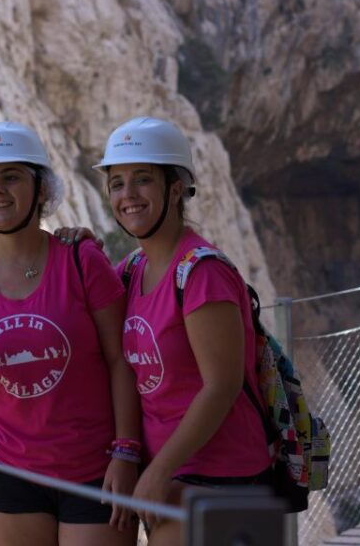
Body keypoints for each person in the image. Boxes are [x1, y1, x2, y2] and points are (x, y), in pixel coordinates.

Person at [59, 117, 272, 545]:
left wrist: (158, 470)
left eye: (142, 180)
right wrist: (78, 249)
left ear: (175, 188)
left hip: (217, 475)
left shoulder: (201, 272)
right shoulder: (134, 269)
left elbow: (221, 386)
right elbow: (81, 311)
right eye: (117, 183)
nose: (127, 195)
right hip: (173, 473)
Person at [0, 121, 141, 546]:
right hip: (7, 469)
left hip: (94, 467)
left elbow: (122, 360)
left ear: (41, 189)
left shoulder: (81, 260)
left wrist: (126, 452)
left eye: (12, 177)